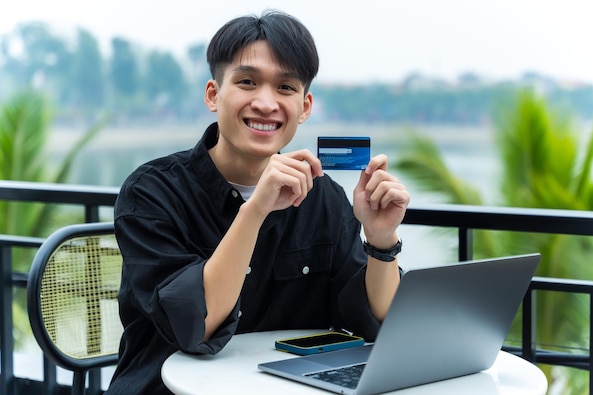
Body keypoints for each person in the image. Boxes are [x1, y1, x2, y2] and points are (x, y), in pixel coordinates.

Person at [106, 9, 410, 394]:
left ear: (305, 107)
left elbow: (377, 322)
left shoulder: (324, 198)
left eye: (285, 88)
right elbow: (196, 325)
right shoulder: (152, 193)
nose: (266, 103)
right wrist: (255, 210)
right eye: (247, 82)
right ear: (214, 95)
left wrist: (381, 239)